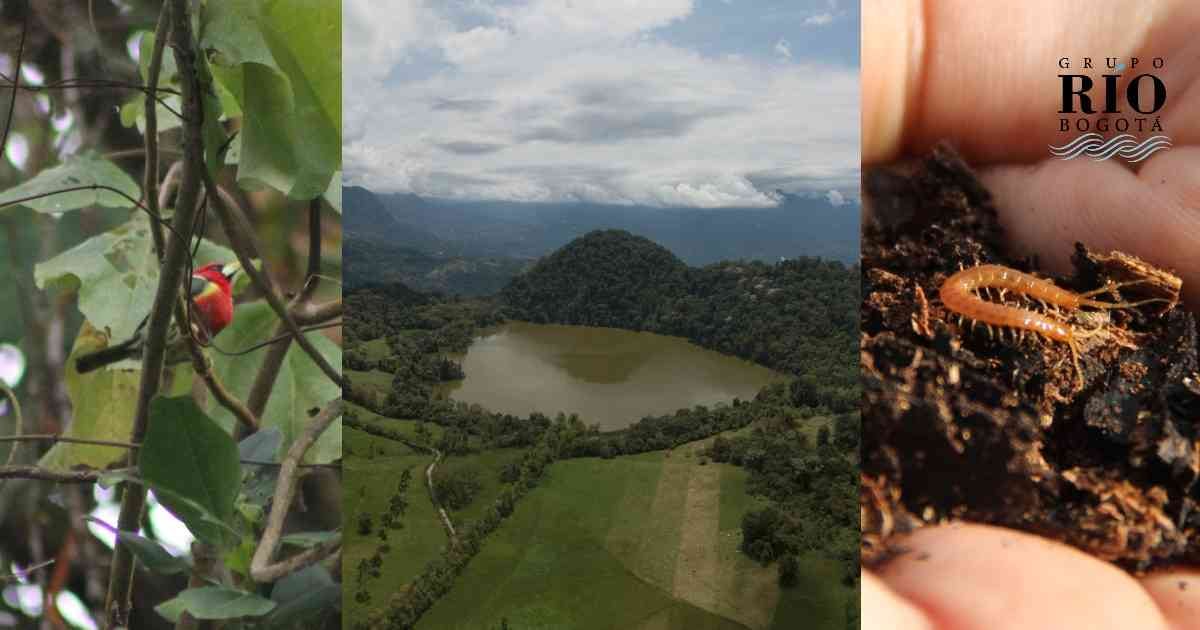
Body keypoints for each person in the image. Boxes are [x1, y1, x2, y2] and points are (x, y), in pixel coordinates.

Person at [861, 1, 1200, 628]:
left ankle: (1064, 313)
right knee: (1016, 301)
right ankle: (1063, 314)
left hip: (994, 289)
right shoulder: (967, 295)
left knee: (1034, 301)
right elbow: (968, 295)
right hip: (970, 288)